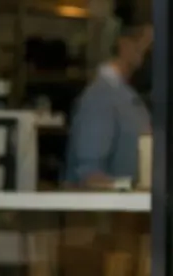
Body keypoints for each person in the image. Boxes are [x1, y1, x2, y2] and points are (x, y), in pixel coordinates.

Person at [64, 20, 153, 188]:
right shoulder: (100, 98)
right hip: (111, 211)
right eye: (147, 45)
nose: (150, 53)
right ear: (125, 45)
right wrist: (128, 191)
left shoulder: (127, 96)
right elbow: (90, 175)